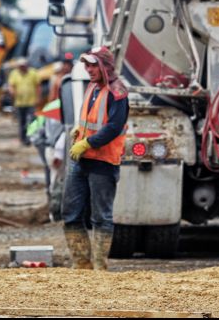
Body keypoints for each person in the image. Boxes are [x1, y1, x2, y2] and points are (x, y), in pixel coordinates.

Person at [63, 46, 129, 271]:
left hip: (103, 162)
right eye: (87, 65)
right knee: (70, 214)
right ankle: (82, 263)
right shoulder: (92, 87)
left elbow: (113, 126)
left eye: (93, 65)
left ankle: (100, 267)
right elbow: (90, 119)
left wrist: (87, 142)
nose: (88, 69)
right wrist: (78, 130)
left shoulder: (117, 92)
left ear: (105, 66)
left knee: (101, 217)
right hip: (81, 159)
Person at [8, 58, 41, 146]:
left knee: (32, 121)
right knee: (21, 122)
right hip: (19, 102)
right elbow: (11, 85)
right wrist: (12, 91)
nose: (22, 68)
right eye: (20, 67)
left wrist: (38, 98)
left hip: (31, 102)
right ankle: (23, 139)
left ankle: (31, 138)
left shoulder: (33, 73)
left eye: (23, 66)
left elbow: (38, 86)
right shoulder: (14, 74)